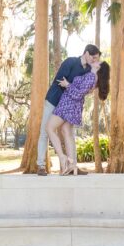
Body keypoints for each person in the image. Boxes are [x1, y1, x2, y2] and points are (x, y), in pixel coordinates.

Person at [36, 44, 100, 175]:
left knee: (68, 133)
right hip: (54, 100)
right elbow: (60, 81)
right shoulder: (70, 62)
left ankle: (73, 167)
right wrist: (74, 88)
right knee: (45, 131)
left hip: (68, 104)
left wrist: (77, 89)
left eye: (96, 59)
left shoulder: (88, 70)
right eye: (93, 57)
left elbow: (85, 89)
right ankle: (41, 165)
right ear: (86, 53)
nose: (94, 60)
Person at [46, 60, 110, 174]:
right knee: (66, 132)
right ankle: (72, 166)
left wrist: (67, 85)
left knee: (49, 128)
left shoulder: (91, 76)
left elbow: (78, 94)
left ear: (99, 68)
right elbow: (81, 92)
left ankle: (62, 157)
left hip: (68, 105)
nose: (95, 61)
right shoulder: (92, 77)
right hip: (73, 105)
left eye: (98, 62)